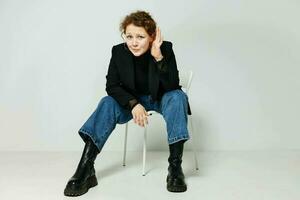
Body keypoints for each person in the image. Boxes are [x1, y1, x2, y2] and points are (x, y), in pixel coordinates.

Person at [64, 10, 192, 196]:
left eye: (140, 36)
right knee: (107, 102)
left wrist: (158, 57)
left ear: (152, 36)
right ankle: (85, 169)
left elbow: (172, 85)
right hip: (131, 104)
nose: (133, 42)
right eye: (129, 36)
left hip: (160, 100)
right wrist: (134, 104)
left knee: (178, 97)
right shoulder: (118, 52)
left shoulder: (165, 48)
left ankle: (175, 169)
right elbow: (112, 86)